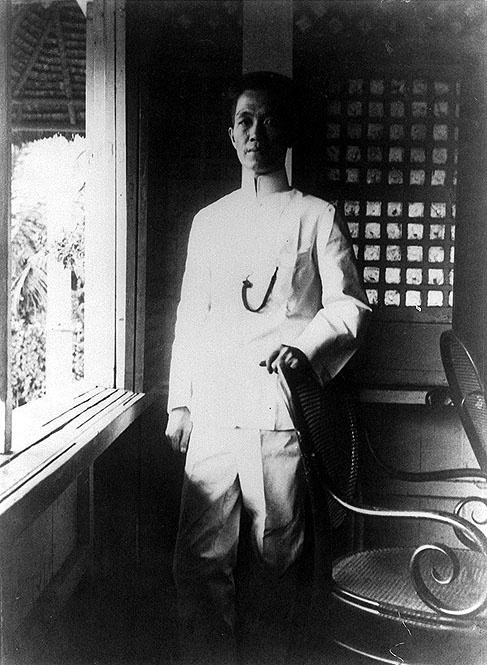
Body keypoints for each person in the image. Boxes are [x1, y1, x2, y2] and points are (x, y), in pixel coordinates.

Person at [165, 71, 371, 664]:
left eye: (267, 120)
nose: (255, 132)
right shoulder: (210, 222)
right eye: (245, 120)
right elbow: (191, 315)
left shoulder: (316, 217)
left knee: (275, 559)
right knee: (199, 560)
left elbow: (350, 305)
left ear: (286, 133)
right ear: (231, 134)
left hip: (280, 412)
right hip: (214, 414)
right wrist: (181, 403)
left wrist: (305, 348)